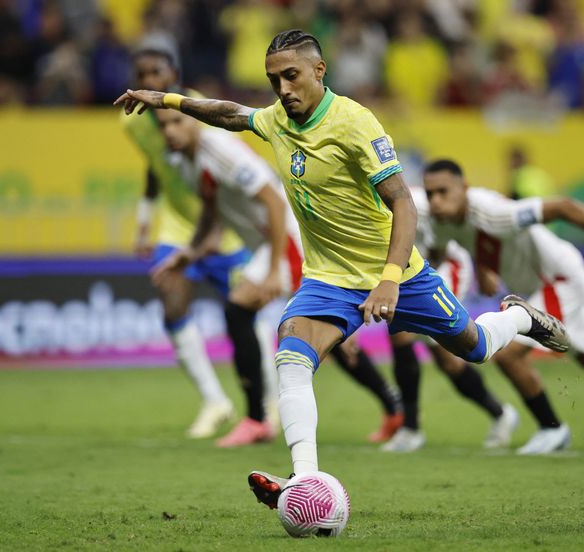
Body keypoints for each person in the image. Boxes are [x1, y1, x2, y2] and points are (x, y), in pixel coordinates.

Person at [114, 29, 569, 509]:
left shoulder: (355, 122)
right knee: (291, 359)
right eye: (274, 81)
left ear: (318, 70)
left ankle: (521, 317)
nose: (283, 89)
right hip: (328, 279)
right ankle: (304, 481)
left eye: (291, 76)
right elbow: (229, 113)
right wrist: (165, 98)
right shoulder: (276, 119)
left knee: (473, 347)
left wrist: (391, 279)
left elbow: (405, 205)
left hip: (398, 274)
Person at [152, 107, 403, 447]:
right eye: (163, 124)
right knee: (330, 338)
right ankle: (392, 407)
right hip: (268, 248)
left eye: (177, 121)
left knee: (242, 310)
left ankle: (257, 418)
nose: (170, 130)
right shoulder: (183, 162)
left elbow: (273, 201)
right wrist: (191, 251)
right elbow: (213, 214)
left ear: (195, 123)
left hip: (289, 243)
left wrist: (273, 269)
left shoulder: (219, 149)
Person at [422, 159, 584, 454]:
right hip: (538, 288)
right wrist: (483, 271)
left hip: (557, 280)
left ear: (464, 188)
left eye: (443, 192)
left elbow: (564, 207)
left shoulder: (494, 212)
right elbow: (448, 248)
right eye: (430, 194)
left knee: (507, 353)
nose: (436, 201)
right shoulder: (442, 220)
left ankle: (552, 429)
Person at [123, 36, 267, 440]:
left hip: (223, 226)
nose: (150, 79)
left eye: (157, 73)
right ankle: (214, 400)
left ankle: (267, 399)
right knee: (170, 299)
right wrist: (144, 221)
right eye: (142, 75)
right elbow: (155, 169)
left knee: (243, 312)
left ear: (173, 75)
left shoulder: (200, 109)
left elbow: (227, 169)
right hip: (178, 224)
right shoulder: (131, 119)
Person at [383, 187, 519, 453]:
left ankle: (411, 428)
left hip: (442, 268)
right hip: (406, 272)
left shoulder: (413, 202)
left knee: (419, 342)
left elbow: (455, 236)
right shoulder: (355, 205)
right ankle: (499, 413)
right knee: (442, 359)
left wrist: (484, 267)